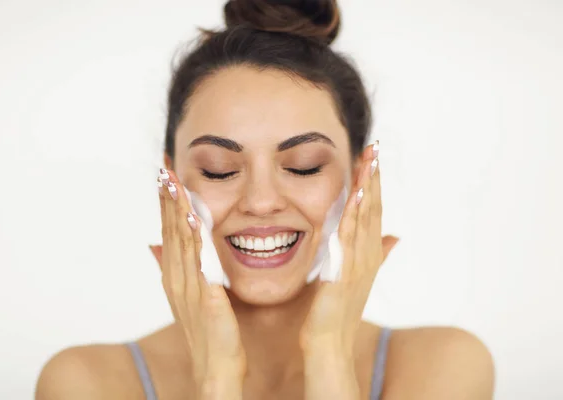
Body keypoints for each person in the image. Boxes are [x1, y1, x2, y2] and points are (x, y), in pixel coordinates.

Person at [35, 1, 495, 399]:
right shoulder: (88, 383)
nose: (259, 201)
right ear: (170, 180)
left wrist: (329, 356)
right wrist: (217, 377)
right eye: (219, 169)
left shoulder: (442, 368)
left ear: (359, 180)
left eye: (303, 166)